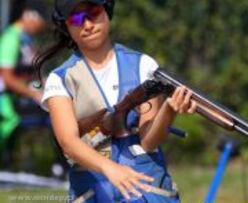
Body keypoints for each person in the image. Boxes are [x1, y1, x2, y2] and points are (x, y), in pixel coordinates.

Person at [34, 0, 196, 202]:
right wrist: (111, 169)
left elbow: (149, 141)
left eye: (93, 12)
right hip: (94, 192)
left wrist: (169, 109)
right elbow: (68, 142)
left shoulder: (143, 64)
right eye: (76, 18)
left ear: (107, 11)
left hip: (145, 188)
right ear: (66, 25)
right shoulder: (61, 78)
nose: (87, 24)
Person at [0, 0, 47, 165]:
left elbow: (33, 75)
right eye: (39, 24)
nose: (39, 30)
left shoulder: (26, 41)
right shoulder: (11, 38)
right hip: (4, 97)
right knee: (10, 121)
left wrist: (46, 85)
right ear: (30, 16)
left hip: (16, 96)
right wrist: (35, 93)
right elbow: (7, 78)